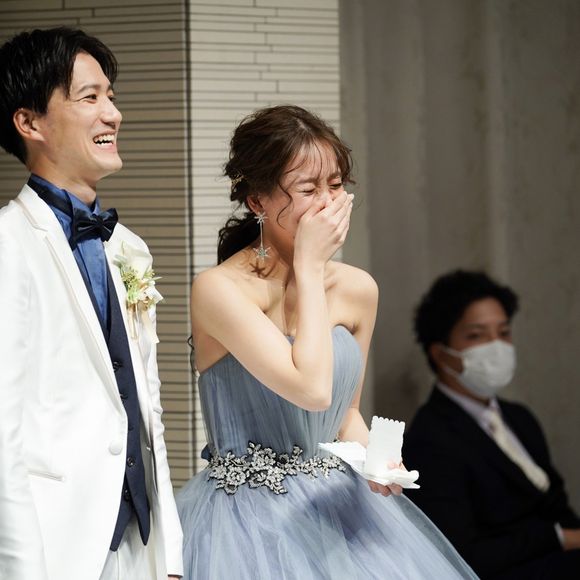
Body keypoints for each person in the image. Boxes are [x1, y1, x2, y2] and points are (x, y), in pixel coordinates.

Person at [176, 105, 477, 579]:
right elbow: (312, 389)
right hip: (244, 521)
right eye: (308, 189)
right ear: (256, 201)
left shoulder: (358, 289)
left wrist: (378, 459)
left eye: (335, 185)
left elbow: (342, 414)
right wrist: (310, 267)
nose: (328, 204)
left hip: (339, 509)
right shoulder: (219, 290)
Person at [0, 27, 182, 580]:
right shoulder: (8, 244)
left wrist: (169, 554)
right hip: (56, 547)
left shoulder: (129, 248)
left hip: (138, 544)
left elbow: (148, 408)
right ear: (30, 122)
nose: (113, 114)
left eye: (111, 96)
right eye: (89, 97)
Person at [403, 269, 580, 579]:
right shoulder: (430, 437)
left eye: (504, 332)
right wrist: (558, 537)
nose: (496, 346)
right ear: (441, 354)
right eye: (476, 335)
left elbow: (558, 505)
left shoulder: (519, 417)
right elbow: (457, 551)